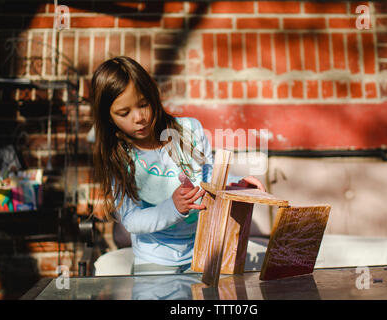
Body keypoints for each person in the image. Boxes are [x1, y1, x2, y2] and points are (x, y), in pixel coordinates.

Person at [90, 56, 265, 275]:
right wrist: (172, 209)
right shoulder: (116, 157)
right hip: (153, 259)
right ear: (108, 118)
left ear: (153, 96)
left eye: (143, 104)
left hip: (201, 251)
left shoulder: (189, 131)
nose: (139, 118)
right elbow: (132, 220)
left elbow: (209, 177)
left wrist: (235, 185)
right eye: (124, 113)